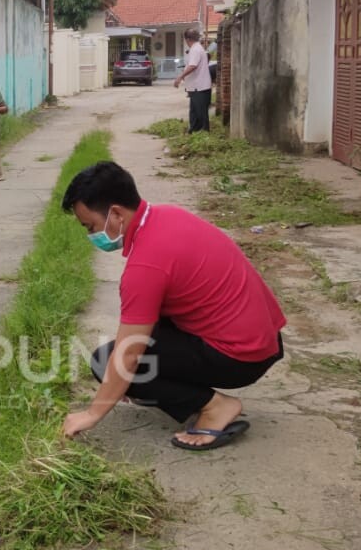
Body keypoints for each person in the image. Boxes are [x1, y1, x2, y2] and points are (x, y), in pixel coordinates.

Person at [59, 162, 285, 451]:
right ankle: (188, 396)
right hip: (265, 339)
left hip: (241, 357)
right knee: (128, 353)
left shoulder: (146, 265)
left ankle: (216, 407)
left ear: (115, 213)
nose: (91, 235)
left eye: (90, 226)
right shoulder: (168, 216)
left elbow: (128, 355)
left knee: (107, 362)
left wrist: (92, 413)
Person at [174, 27, 212, 133]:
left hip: (199, 87)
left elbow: (192, 66)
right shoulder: (197, 48)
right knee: (194, 113)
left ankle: (203, 134)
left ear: (187, 39)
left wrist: (180, 77)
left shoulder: (195, 49)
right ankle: (193, 132)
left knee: (200, 114)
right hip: (197, 87)